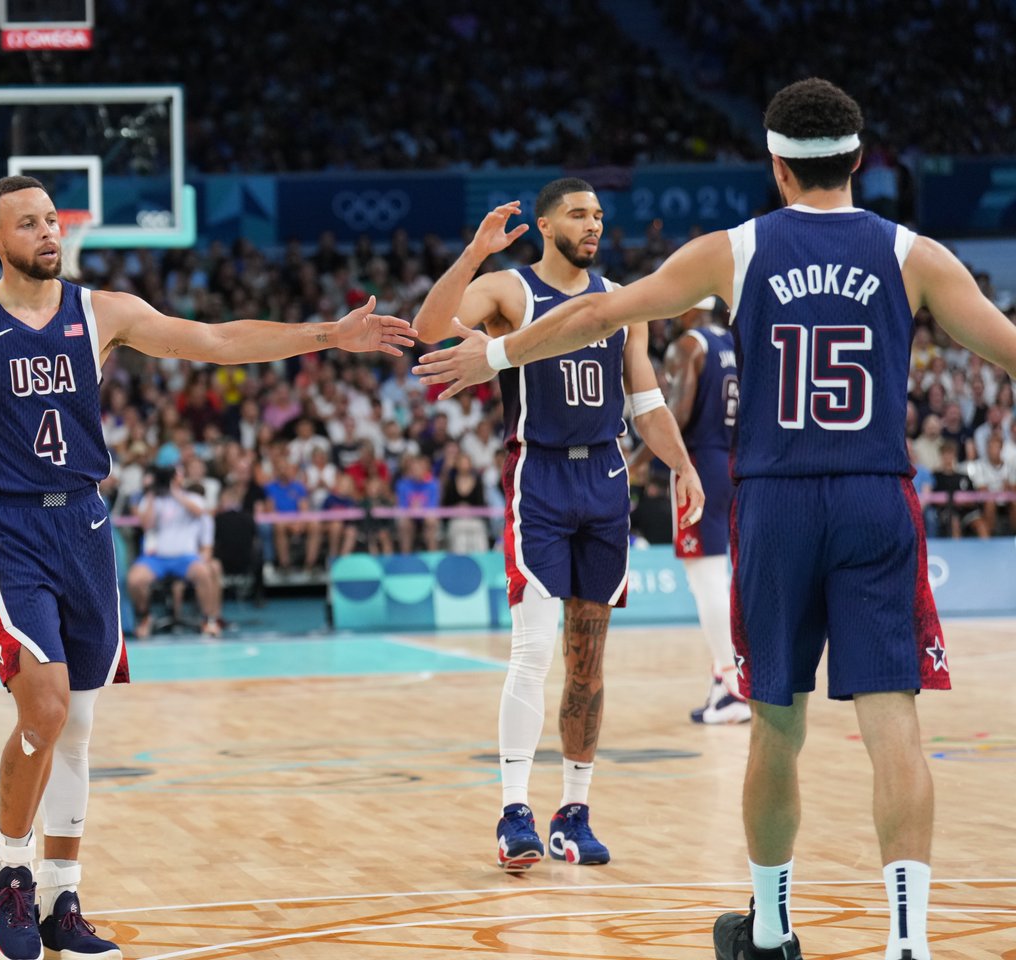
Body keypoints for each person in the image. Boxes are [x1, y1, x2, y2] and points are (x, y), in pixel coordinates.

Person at [414, 77, 1016, 960]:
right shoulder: (915, 255)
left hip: (773, 502)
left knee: (775, 721)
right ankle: (909, 943)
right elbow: (1006, 348)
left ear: (777, 167)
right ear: (859, 161)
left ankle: (769, 929)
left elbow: (598, 312)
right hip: (874, 498)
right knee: (895, 728)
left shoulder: (733, 250)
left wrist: (496, 352)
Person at [0, 175, 413, 960]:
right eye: (28, 224)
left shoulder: (102, 311)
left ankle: (60, 898)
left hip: (85, 522)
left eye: (52, 220)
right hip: (7, 526)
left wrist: (327, 335)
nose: (48, 233)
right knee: (42, 710)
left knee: (77, 727)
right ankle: (7, 877)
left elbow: (215, 340)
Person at [413, 181, 703, 872]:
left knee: (588, 662)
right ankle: (515, 810)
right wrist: (474, 254)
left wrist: (684, 465)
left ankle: (573, 813)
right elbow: (427, 328)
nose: (593, 224)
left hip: (606, 480)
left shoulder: (623, 301)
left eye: (600, 214)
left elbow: (647, 401)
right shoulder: (511, 292)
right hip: (539, 477)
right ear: (545, 225)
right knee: (533, 648)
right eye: (579, 213)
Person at [629, 296, 749, 724]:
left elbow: (676, 415)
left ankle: (734, 686)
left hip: (701, 464)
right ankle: (725, 681)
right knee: (727, 576)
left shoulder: (688, 346)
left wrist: (637, 462)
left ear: (688, 310)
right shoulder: (737, 342)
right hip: (739, 465)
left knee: (707, 578)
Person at [127, 465, 222, 639]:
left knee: (203, 573)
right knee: (135, 579)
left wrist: (175, 492)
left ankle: (208, 620)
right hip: (157, 558)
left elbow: (199, 511)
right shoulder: (153, 500)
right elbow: (146, 525)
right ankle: (145, 618)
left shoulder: (193, 497)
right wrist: (152, 493)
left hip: (186, 558)